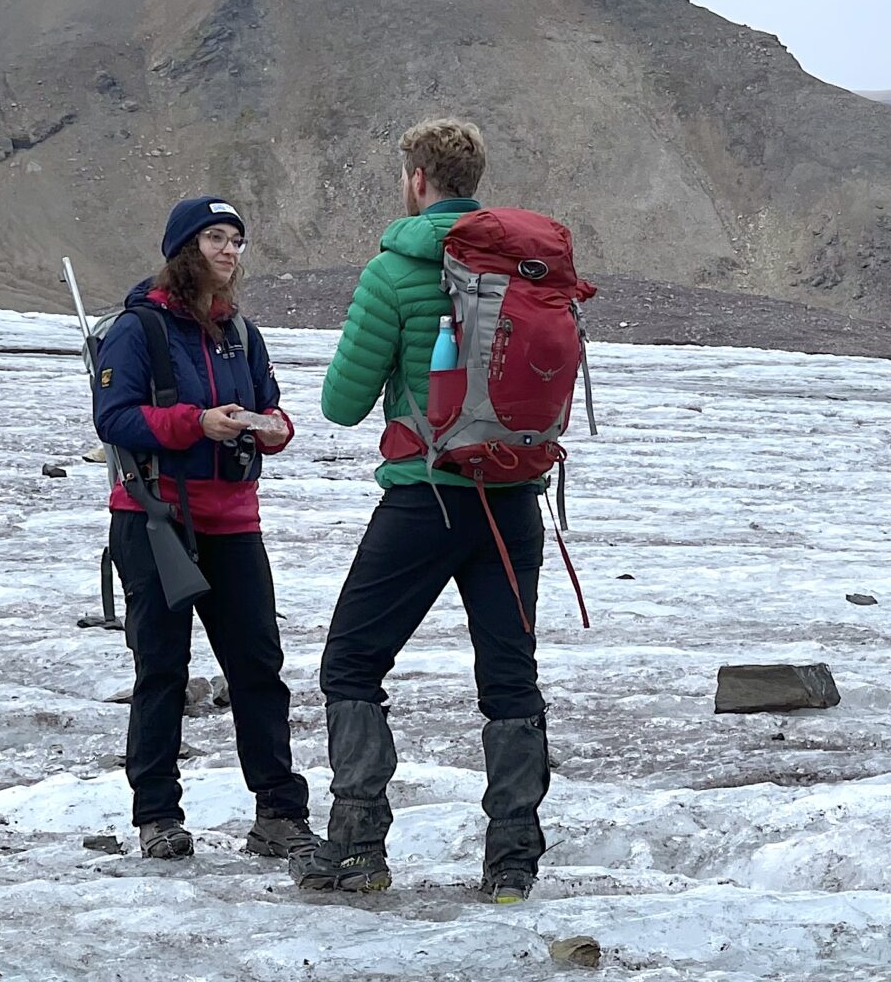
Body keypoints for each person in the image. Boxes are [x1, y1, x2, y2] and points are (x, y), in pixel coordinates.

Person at [292, 119, 554, 903]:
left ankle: (358, 851)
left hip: (425, 500)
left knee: (351, 664)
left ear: (415, 179)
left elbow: (340, 403)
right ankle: (512, 864)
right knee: (510, 681)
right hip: (513, 503)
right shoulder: (524, 269)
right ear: (475, 179)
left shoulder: (394, 270)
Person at [91, 197, 314, 861]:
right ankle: (157, 814)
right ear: (183, 249)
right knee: (161, 669)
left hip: (234, 522)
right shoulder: (139, 329)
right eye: (215, 237)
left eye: (237, 240)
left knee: (258, 668)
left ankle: (278, 812)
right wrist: (196, 423)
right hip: (155, 517)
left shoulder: (239, 332)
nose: (228, 251)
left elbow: (272, 407)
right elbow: (115, 418)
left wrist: (274, 429)